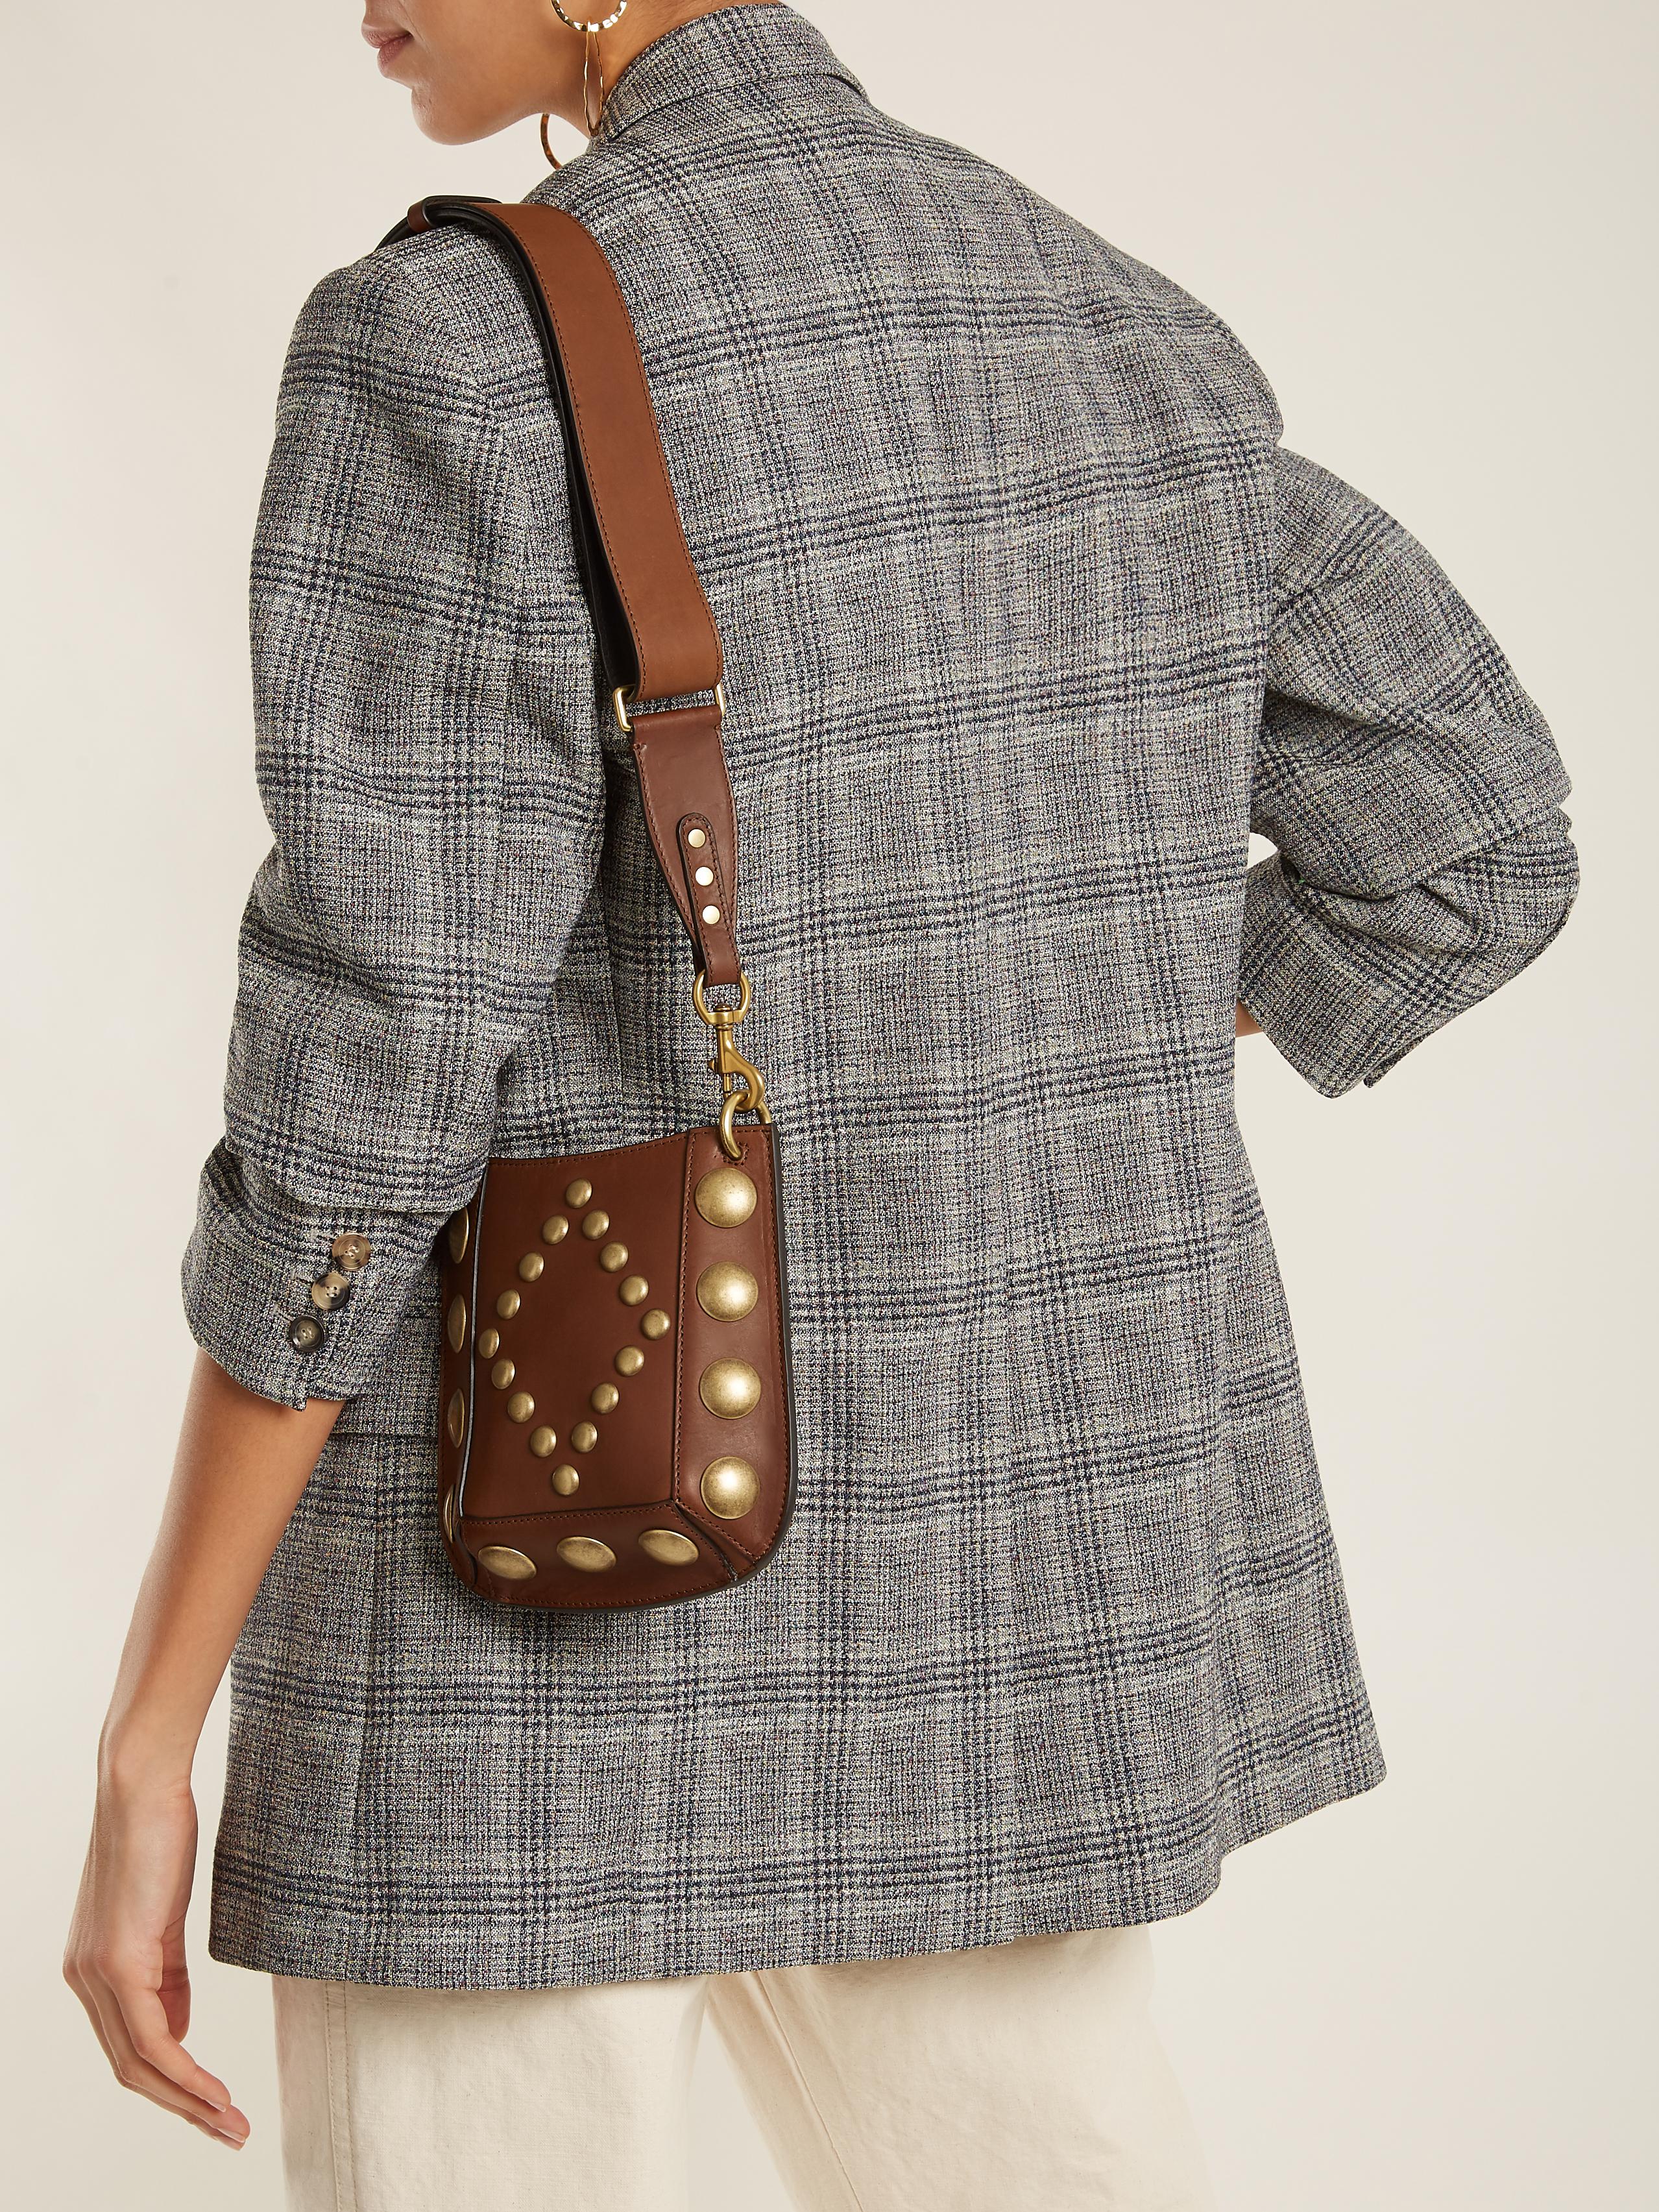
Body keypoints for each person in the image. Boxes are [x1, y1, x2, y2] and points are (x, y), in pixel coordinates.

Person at [63, 4, 1579, 2206]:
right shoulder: (1123, 332)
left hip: (525, 1610)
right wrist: (1083, 1019)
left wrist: (150, 1723)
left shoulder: (453, 346)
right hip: (1010, 1614)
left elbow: (366, 1095)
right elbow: (1472, 837)